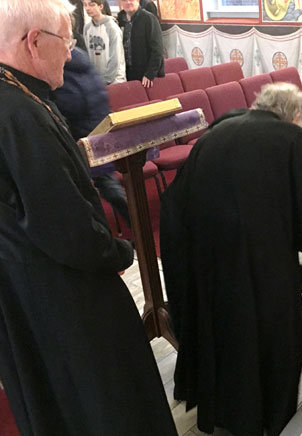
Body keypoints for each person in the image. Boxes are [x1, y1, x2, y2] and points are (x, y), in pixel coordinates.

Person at [0, 1, 177, 434]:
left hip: (26, 285)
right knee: (105, 401)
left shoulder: (18, 97)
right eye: (67, 41)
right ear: (34, 42)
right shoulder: (21, 114)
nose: (72, 52)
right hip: (63, 295)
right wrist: (120, 250)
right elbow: (67, 230)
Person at [160, 83, 302, 436]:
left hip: (210, 266)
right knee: (271, 337)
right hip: (264, 267)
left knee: (224, 334)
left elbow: (173, 205)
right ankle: (269, 418)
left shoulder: (216, 131)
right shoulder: (289, 139)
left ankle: (225, 412)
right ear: (293, 117)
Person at [52, 47, 130, 226]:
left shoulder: (66, 76)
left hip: (84, 137)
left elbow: (72, 106)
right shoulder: (84, 65)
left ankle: (111, 232)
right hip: (101, 130)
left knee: (93, 188)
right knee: (105, 183)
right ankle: (135, 221)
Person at [118, 0, 164, 87]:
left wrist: (150, 74)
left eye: (131, 0)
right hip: (126, 73)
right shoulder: (119, 19)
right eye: (124, 0)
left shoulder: (149, 18)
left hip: (146, 76)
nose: (128, 2)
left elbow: (157, 49)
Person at [83, 0, 126, 84]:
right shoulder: (87, 28)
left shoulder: (112, 27)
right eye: (85, 5)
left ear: (100, 6)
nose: (87, 8)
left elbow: (115, 58)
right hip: (97, 81)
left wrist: (106, 80)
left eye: (92, 5)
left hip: (115, 81)